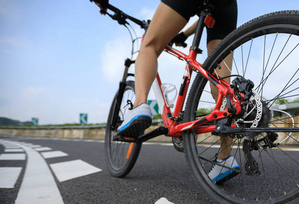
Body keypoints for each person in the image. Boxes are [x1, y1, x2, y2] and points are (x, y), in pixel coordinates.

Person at [93, 0, 239, 183]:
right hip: (228, 5)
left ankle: (139, 104)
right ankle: (224, 159)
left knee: (149, 46)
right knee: (222, 87)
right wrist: (184, 34)